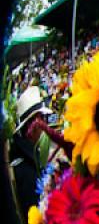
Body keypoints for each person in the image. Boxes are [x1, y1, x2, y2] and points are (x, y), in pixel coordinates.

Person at [8, 86, 53, 214]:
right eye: (42, 118)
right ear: (30, 126)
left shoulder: (31, 157)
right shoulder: (25, 170)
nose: (46, 124)